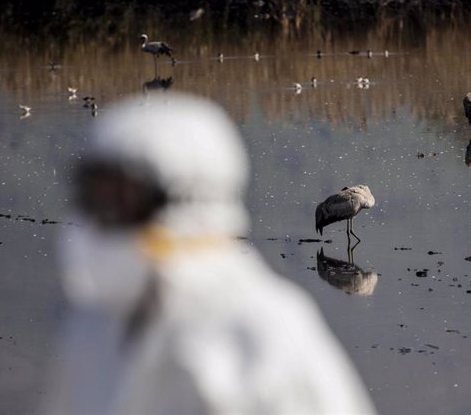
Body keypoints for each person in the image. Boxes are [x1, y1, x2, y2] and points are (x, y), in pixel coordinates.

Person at [44, 93, 377, 415]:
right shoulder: (96, 325)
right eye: (96, 199)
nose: (104, 224)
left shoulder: (267, 333)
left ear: (187, 203)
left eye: (126, 203)